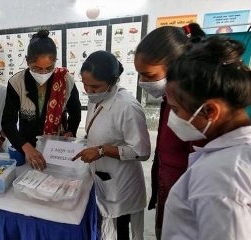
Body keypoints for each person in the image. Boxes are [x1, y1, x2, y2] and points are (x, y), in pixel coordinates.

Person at [161, 36, 251, 240]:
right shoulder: (236, 153)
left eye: (176, 110)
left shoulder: (220, 177)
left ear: (210, 110)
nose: (172, 119)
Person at [134, 23, 206, 239]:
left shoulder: (194, 108)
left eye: (148, 75)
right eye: (140, 75)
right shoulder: (169, 98)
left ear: (176, 67)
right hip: (169, 194)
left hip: (189, 206)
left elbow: (202, 166)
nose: (143, 82)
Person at [73, 51, 151, 240]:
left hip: (122, 184)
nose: (89, 91)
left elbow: (142, 152)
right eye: (85, 85)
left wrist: (103, 150)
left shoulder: (127, 107)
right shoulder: (97, 99)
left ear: (113, 81)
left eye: (95, 86)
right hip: (102, 179)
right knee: (105, 228)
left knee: (121, 230)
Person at [2, 30, 81, 170]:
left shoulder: (66, 80)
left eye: (49, 68)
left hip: (57, 145)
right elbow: (8, 122)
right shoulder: (16, 82)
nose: (43, 73)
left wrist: (71, 131)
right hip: (27, 145)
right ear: (27, 61)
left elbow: (75, 112)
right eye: (36, 68)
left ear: (55, 62)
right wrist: (25, 147)